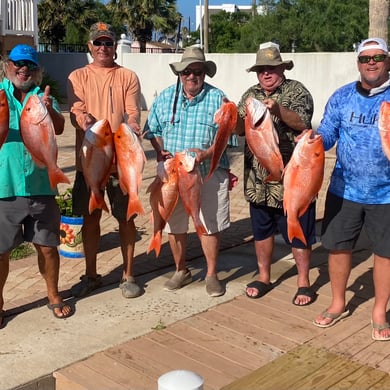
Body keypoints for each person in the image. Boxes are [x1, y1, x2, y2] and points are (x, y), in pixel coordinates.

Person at [144, 46, 238, 297]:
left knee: (208, 223)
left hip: (208, 172)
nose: (192, 76)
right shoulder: (165, 98)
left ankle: (211, 274)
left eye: (198, 71)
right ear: (180, 73)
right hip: (173, 174)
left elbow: (230, 138)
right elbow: (151, 130)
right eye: (187, 71)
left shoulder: (219, 98)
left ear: (205, 73)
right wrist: (160, 151)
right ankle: (180, 269)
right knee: (174, 224)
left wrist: (206, 154)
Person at [313, 38, 390, 341]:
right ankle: (337, 302)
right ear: (357, 63)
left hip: (386, 194)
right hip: (344, 189)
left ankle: (379, 311)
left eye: (378, 57)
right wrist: (314, 141)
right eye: (365, 58)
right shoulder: (342, 96)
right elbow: (329, 133)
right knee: (338, 246)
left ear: (388, 61)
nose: (371, 63)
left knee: (385, 253)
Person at [236, 42, 316, 305]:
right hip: (257, 181)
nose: (266, 73)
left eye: (271, 68)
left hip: (293, 181)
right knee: (261, 231)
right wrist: (229, 118)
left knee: (298, 230)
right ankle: (263, 276)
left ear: (282, 68)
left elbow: (302, 123)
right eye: (261, 69)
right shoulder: (250, 94)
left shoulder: (297, 91)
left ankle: (303, 281)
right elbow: (238, 128)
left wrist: (277, 110)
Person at [67, 22, 142, 299]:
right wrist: (81, 119)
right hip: (88, 162)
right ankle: (91, 274)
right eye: (98, 43)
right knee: (90, 219)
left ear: (114, 47)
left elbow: (133, 112)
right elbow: (76, 110)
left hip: (120, 162)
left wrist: (133, 124)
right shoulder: (77, 76)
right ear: (89, 46)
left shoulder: (128, 76)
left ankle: (129, 274)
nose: (103, 48)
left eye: (108, 43)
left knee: (126, 219)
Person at [0, 44, 73, 327]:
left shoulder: (42, 97)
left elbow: (59, 127)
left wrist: (49, 110)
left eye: (29, 66)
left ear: (36, 71)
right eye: (18, 64)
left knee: (47, 246)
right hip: (4, 186)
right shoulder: (0, 95)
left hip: (42, 185)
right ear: (8, 66)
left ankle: (53, 295)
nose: (23, 70)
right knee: (1, 251)